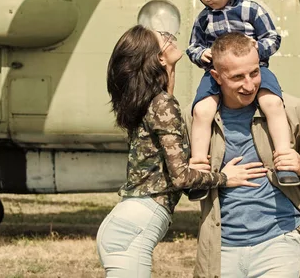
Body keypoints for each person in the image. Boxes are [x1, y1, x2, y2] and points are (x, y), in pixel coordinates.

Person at [97, 25, 268, 278]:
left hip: (128, 223)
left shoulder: (155, 100)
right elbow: (181, 177)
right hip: (135, 227)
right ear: (158, 58)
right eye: (163, 38)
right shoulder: (162, 103)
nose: (170, 37)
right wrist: (224, 177)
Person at [184, 32, 300, 278]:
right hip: (220, 247)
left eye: (254, 73)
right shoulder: (196, 119)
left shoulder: (289, 108)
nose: (249, 85)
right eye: (237, 77)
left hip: (278, 241)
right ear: (216, 76)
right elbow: (178, 176)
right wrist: (216, 177)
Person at [183, 0, 300, 193]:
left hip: (255, 69)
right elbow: (193, 45)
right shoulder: (204, 19)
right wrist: (200, 54)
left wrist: (259, 49)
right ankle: (199, 170)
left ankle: (285, 159)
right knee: (201, 111)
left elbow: (273, 38)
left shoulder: (252, 10)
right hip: (216, 73)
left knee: (273, 104)